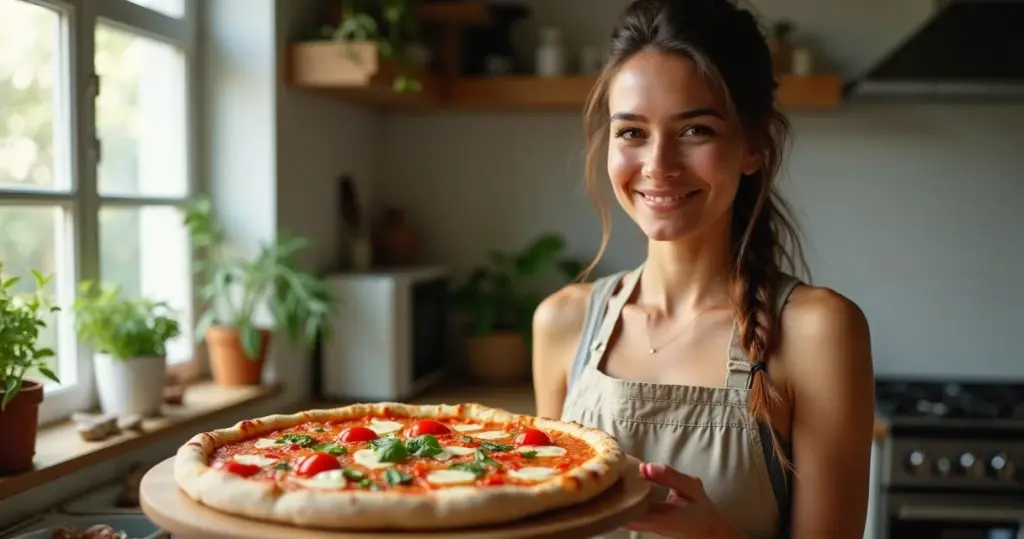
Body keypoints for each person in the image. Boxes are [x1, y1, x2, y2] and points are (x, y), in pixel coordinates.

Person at [531, 0, 876, 538]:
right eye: (632, 132)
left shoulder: (819, 331)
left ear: (753, 146)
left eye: (695, 130)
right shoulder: (562, 323)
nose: (658, 165)